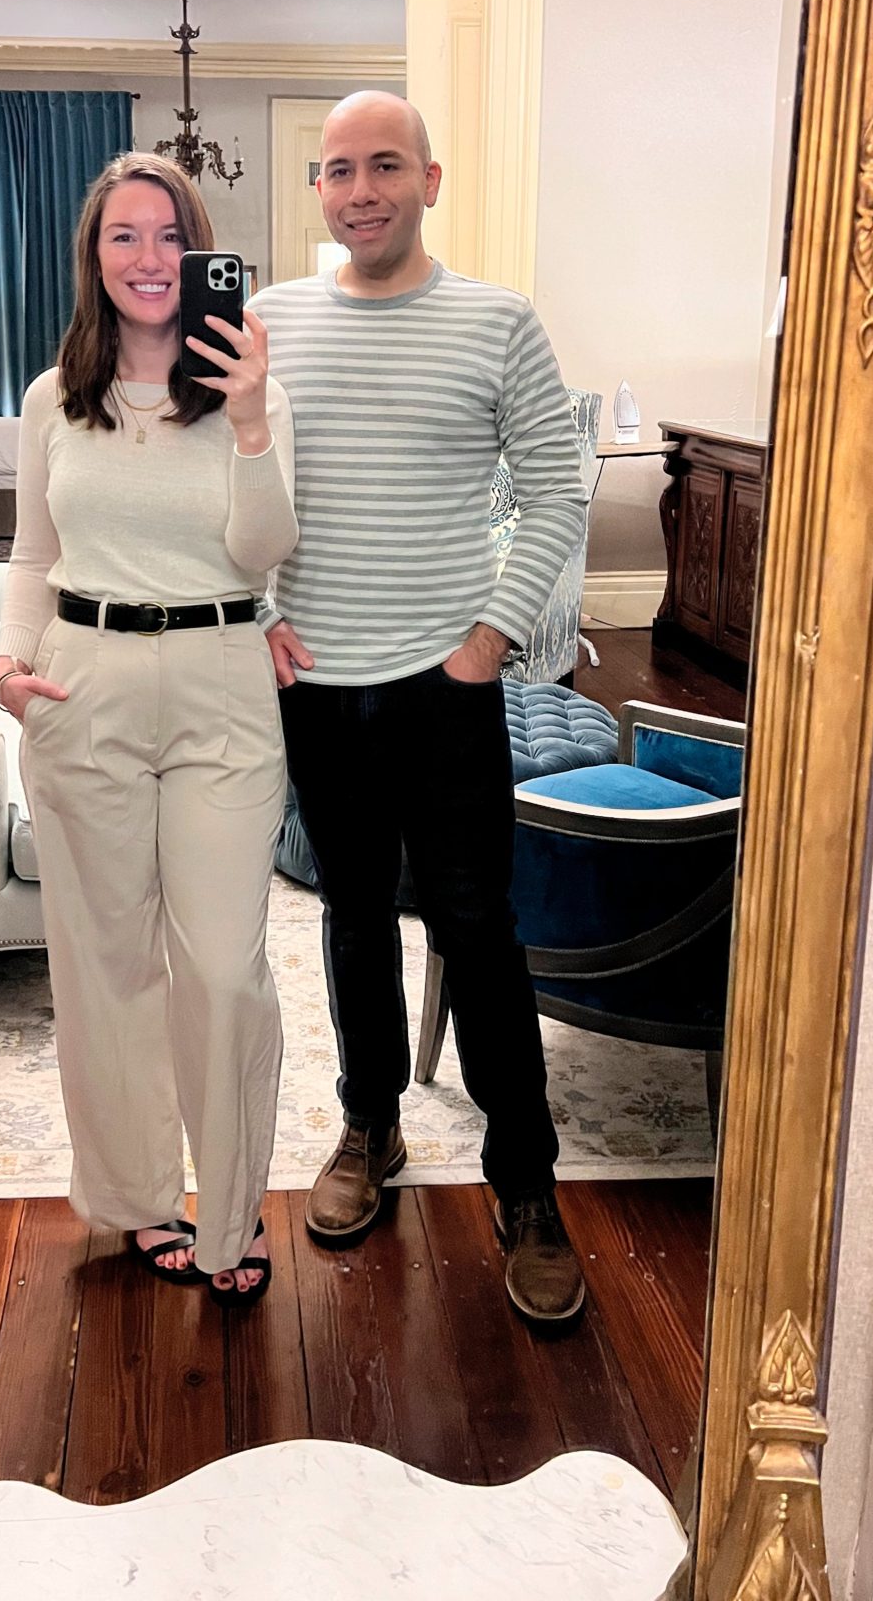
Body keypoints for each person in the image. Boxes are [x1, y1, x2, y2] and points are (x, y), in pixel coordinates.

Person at [250, 92, 591, 1325]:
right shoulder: (272, 320)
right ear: (320, 191)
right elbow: (228, 475)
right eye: (337, 170)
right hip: (316, 683)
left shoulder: (498, 323)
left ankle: (527, 1183)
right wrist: (256, 606)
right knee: (348, 916)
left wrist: (490, 637)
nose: (360, 189)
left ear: (430, 179)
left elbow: (559, 486)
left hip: (447, 686)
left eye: (384, 164)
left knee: (478, 927)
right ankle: (369, 1126)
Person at [0, 152, 295, 1305]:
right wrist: (8, 668)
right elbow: (32, 552)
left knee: (222, 968)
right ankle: (137, 1199)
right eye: (124, 236)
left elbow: (265, 550)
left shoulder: (252, 385)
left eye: (170, 236)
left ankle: (229, 1212)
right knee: (108, 967)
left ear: (201, 246)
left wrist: (257, 416)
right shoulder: (50, 396)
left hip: (223, 677)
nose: (150, 258)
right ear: (96, 257)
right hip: (85, 683)